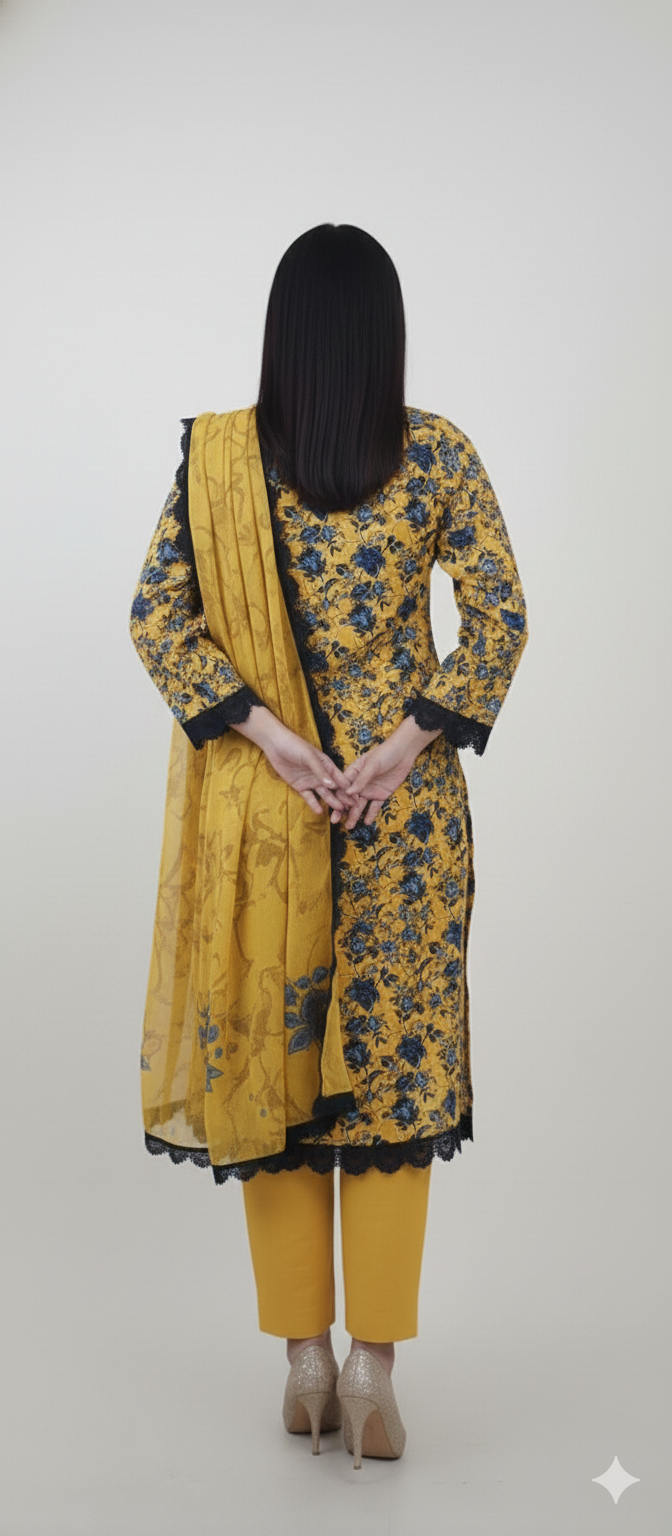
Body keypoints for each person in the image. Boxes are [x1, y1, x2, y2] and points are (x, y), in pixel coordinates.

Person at [129, 223, 529, 1469]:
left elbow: (156, 620)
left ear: (283, 329)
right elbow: (503, 619)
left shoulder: (227, 465)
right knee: (395, 1089)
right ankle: (371, 1375)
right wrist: (405, 744)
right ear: (386, 331)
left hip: (272, 818)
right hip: (403, 826)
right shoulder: (440, 454)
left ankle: (299, 1362)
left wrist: (271, 739)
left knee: (277, 1081)